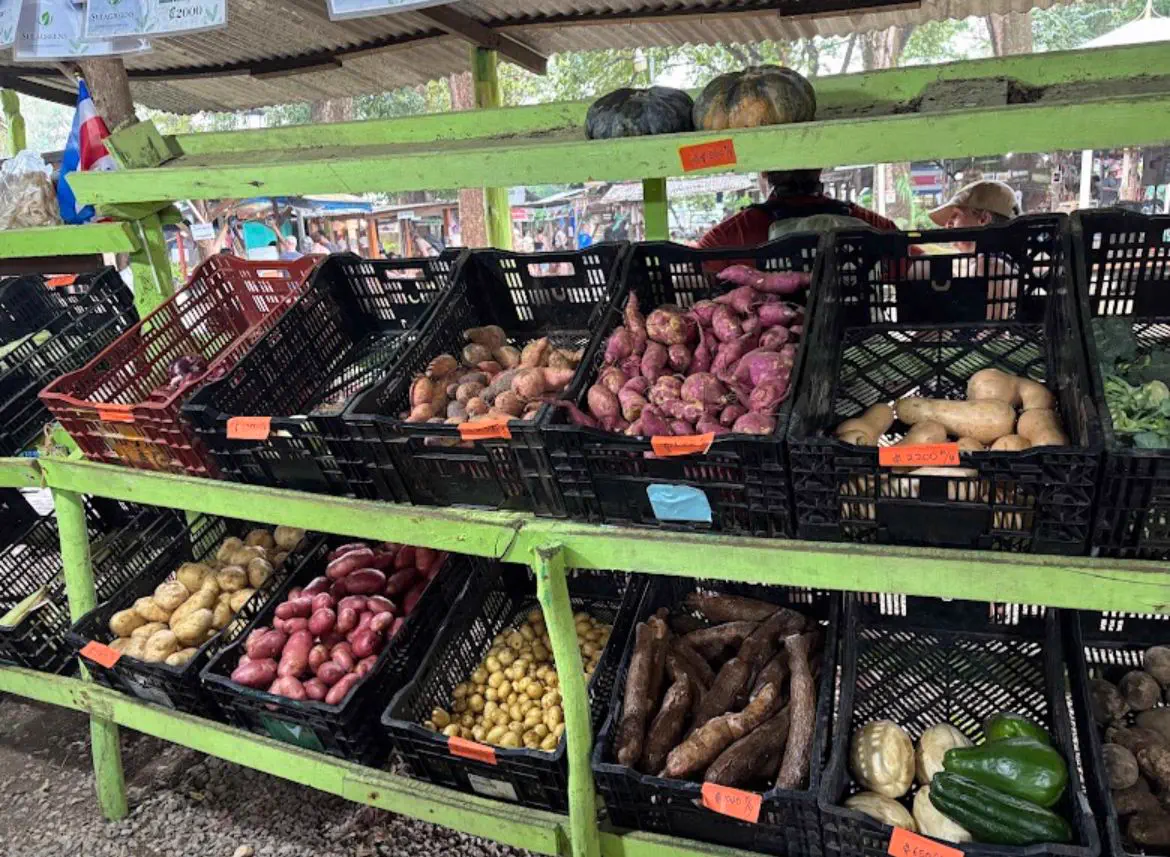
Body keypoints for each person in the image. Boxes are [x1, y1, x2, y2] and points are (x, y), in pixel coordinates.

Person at [698, 169, 898, 248]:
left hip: (766, 339)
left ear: (765, 173)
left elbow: (688, 280)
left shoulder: (727, 235)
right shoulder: (876, 226)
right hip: (859, 338)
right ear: (819, 169)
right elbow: (916, 269)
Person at [928, 180, 1021, 251]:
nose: (947, 226)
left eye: (955, 215)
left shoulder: (985, 266)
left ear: (984, 219)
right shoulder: (1008, 263)